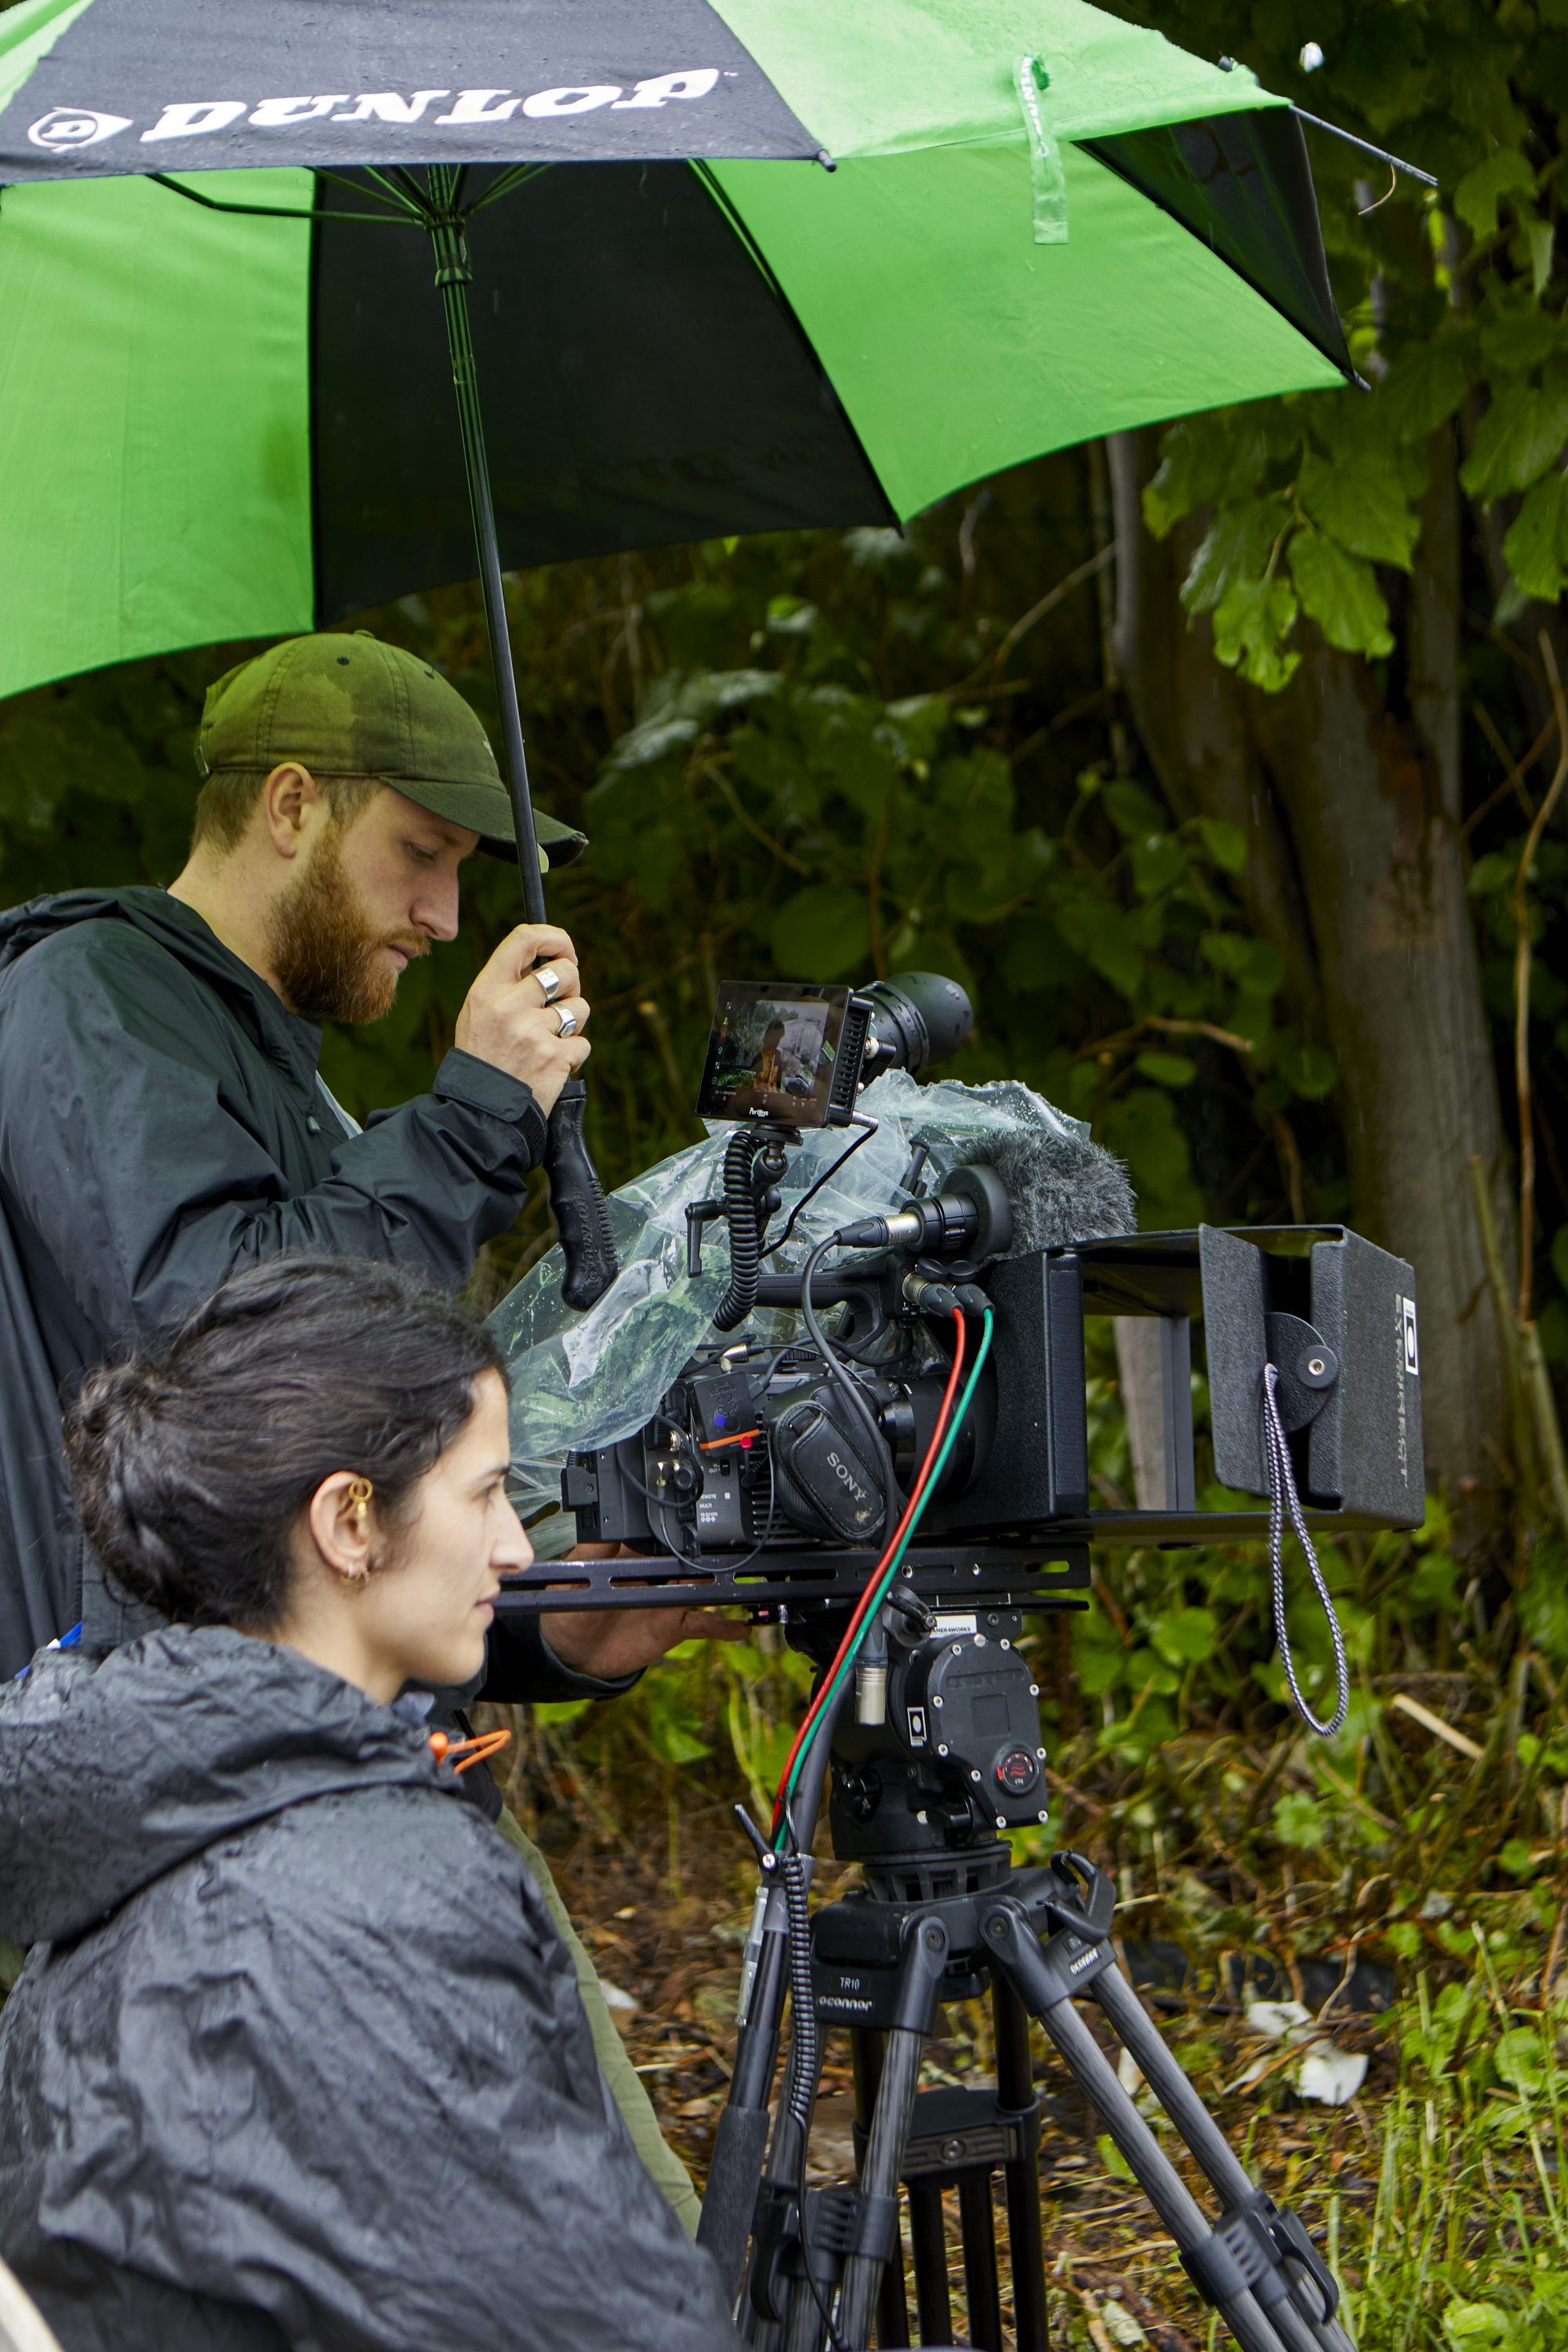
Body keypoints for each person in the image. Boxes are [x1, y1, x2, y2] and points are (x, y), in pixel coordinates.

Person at [0, 627, 730, 2222]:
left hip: (312, 1769)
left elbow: (330, 1514)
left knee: (599, 2241)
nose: (445, 915)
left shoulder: (276, 1073)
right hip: (151, 1810)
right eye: (420, 855)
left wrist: (546, 1631)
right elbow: (233, 1364)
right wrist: (473, 1114)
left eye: (464, 871)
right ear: (286, 809)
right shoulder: (90, 1002)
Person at [0, 1258, 741, 2352]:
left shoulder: (110, 1817)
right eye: (486, 1492)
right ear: (350, 1521)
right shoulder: (390, 1889)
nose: (518, 1549)